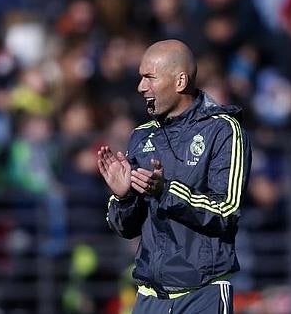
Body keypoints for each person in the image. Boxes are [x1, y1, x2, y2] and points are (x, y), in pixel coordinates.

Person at [97, 39, 252, 314]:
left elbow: (226, 211)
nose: (140, 87)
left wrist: (165, 191)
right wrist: (124, 197)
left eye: (149, 78)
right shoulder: (141, 135)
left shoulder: (223, 130)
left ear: (180, 81)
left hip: (202, 294)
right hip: (148, 297)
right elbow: (126, 228)